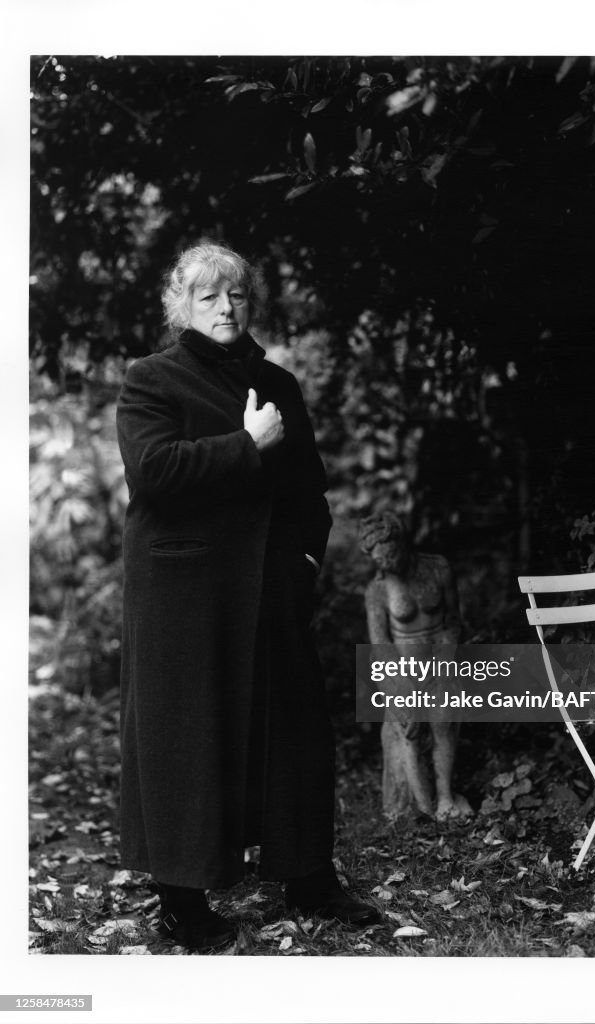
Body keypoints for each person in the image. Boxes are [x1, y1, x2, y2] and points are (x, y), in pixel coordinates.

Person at [116, 241, 379, 951]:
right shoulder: (152, 380)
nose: (225, 308)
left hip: (270, 586)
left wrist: (301, 561)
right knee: (188, 741)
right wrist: (246, 442)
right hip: (183, 595)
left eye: (235, 295)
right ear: (182, 306)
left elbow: (308, 493)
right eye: (208, 297)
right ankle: (182, 900)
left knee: (294, 732)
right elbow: (155, 475)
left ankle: (309, 878)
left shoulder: (277, 381)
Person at [360, 512, 472, 820]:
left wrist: (443, 662)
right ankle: (423, 807)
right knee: (408, 728)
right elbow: (380, 644)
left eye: (391, 555)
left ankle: (446, 798)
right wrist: (403, 687)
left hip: (440, 662)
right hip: (401, 671)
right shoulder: (378, 590)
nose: (388, 564)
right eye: (380, 561)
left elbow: (452, 621)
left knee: (443, 722)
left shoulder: (437, 568)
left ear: (401, 542)